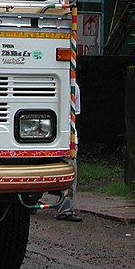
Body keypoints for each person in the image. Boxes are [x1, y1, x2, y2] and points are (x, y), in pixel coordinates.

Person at [57, 81, 82, 222]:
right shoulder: (73, 86)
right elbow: (75, 113)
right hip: (67, 138)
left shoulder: (74, 87)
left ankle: (31, 201)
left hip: (54, 136)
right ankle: (66, 209)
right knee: (70, 173)